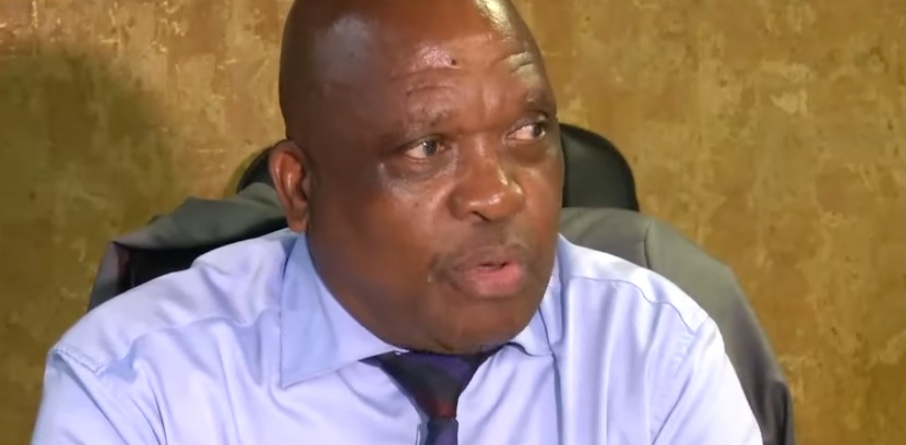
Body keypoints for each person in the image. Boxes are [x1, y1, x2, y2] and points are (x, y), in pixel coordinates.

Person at [31, 0, 762, 443]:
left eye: (530, 131)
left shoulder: (654, 351)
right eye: (427, 148)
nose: (499, 194)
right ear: (300, 188)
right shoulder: (138, 385)